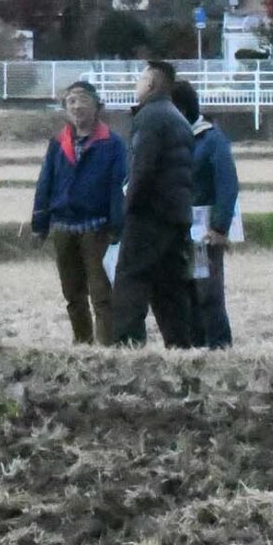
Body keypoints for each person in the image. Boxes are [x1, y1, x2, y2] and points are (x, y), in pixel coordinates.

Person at [107, 60, 201, 349]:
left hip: (149, 215)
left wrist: (127, 209)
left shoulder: (149, 117)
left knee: (131, 281)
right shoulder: (180, 120)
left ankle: (129, 345)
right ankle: (182, 347)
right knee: (170, 288)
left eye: (140, 79)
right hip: (177, 216)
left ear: (150, 84)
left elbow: (142, 170)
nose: (136, 85)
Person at [29, 80, 126, 345]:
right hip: (63, 226)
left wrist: (117, 226)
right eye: (70, 101)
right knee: (72, 293)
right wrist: (39, 222)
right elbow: (45, 182)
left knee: (102, 294)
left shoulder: (112, 143)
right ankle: (82, 343)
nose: (76, 105)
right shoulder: (58, 142)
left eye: (82, 99)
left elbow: (119, 187)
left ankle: (107, 348)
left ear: (97, 105)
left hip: (96, 227)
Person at [171, 79, 239, 349]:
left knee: (207, 289)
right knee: (182, 290)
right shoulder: (169, 138)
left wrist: (220, 228)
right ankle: (194, 346)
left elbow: (227, 185)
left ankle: (219, 346)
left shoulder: (211, 139)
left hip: (204, 231)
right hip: (175, 227)